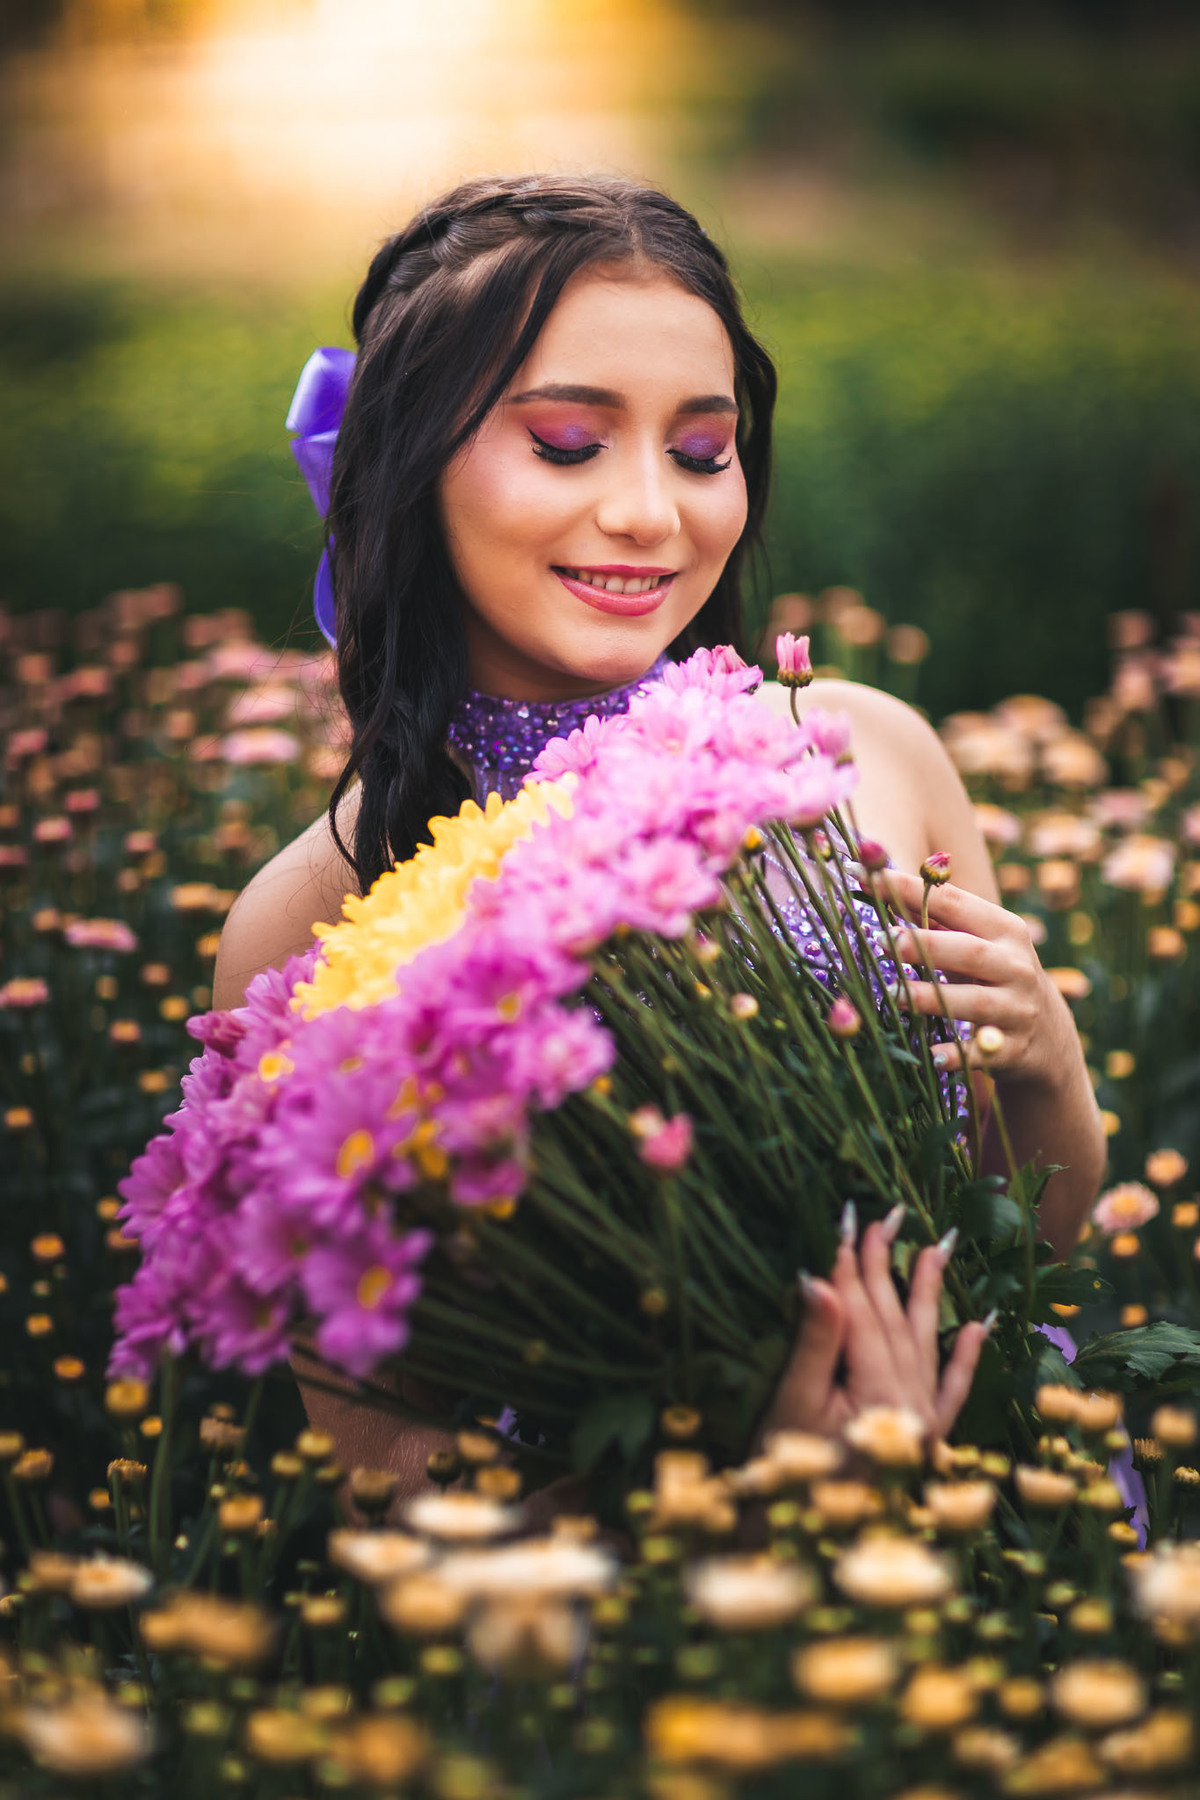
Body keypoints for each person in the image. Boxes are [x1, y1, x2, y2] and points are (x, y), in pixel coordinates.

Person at [213, 173, 1105, 1502]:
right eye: (569, 443)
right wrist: (735, 1507)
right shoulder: (317, 916)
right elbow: (387, 1473)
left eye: (700, 452)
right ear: (403, 465)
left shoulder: (864, 755)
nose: (650, 512)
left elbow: (1036, 1242)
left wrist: (1042, 1058)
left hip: (1010, 1513)